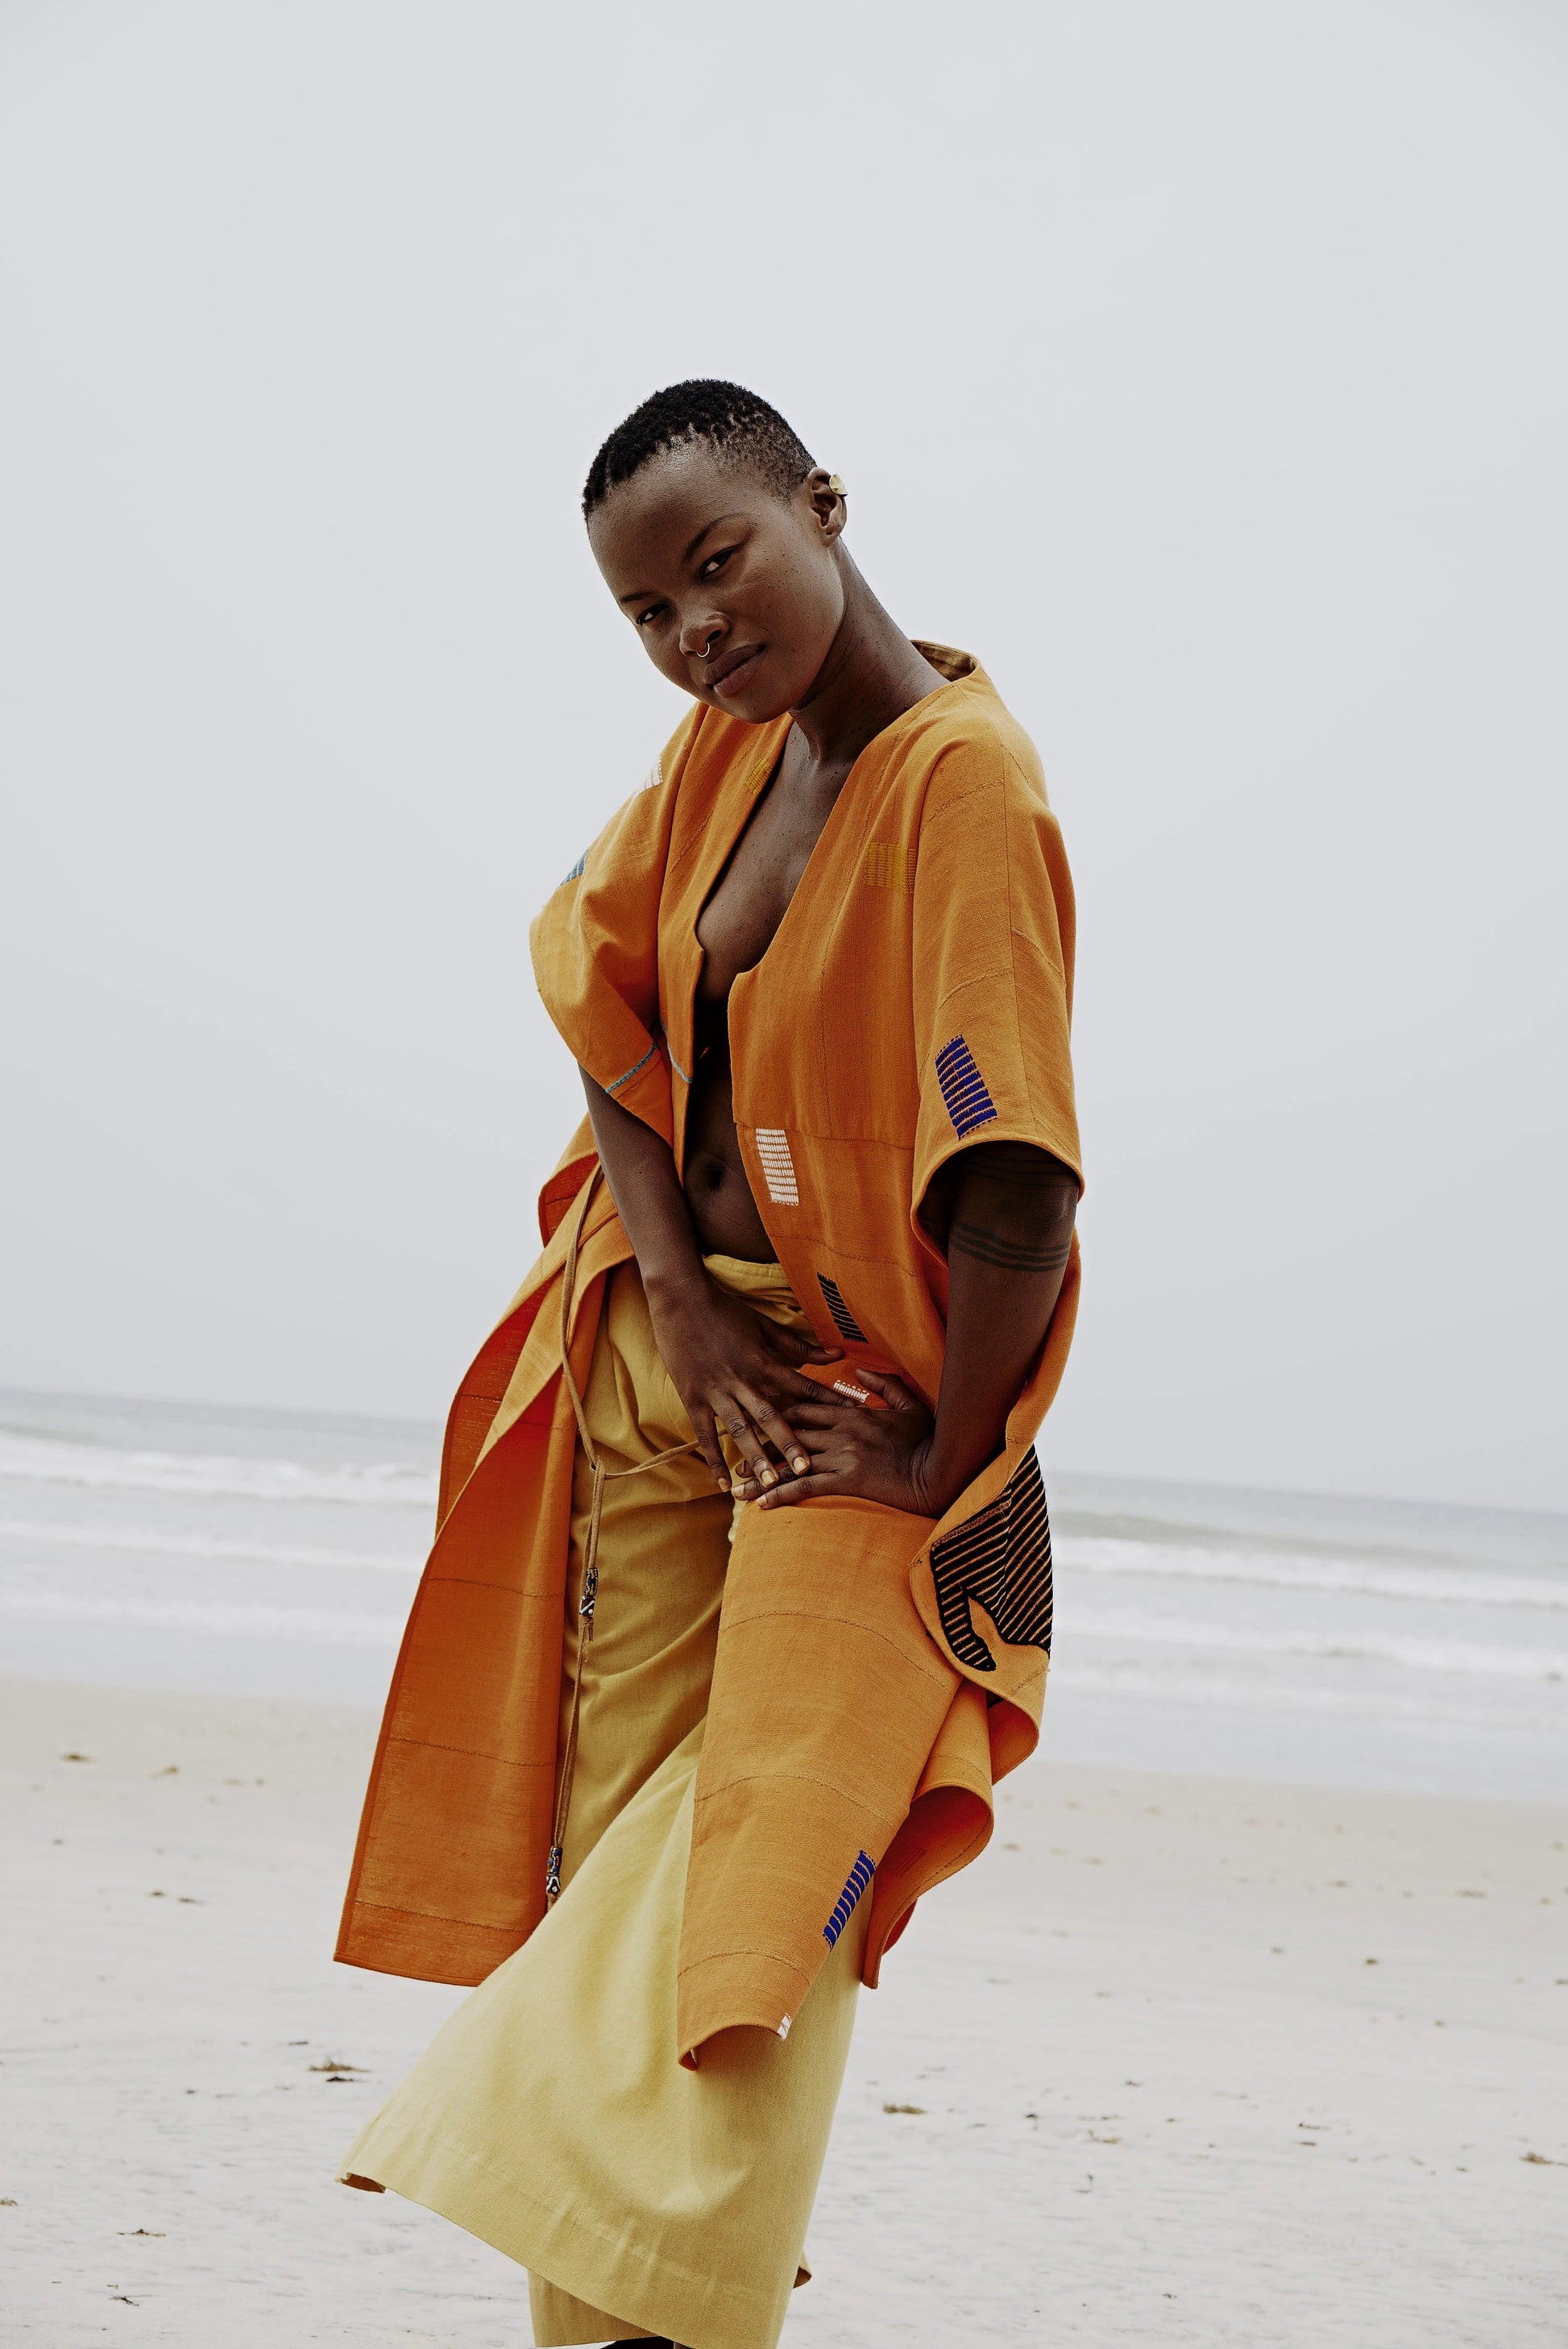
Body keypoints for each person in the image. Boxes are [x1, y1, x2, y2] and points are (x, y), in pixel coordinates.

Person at [334, 380, 1083, 2349]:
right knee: (604, 1854)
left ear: (823, 506)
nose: (693, 629)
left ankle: (634, 2250)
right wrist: (675, 1300)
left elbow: (1014, 1172)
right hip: (662, 1369)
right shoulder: (723, 750)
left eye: (718, 564)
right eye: (647, 610)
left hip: (852, 1415)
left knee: (762, 1884)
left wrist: (943, 1462)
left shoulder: (960, 783)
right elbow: (603, 1005)